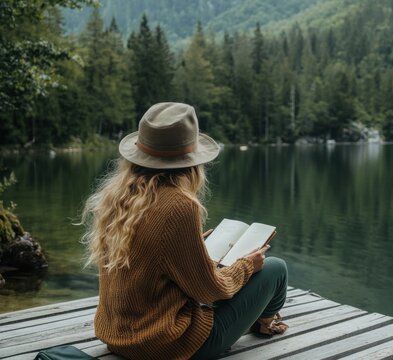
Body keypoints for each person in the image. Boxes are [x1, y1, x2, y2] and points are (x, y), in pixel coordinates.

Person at [81, 102, 288, 360]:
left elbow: (146, 259)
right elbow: (209, 291)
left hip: (117, 337)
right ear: (189, 162)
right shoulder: (179, 205)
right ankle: (266, 322)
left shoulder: (117, 196)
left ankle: (263, 319)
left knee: (230, 271)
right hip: (167, 346)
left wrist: (190, 248)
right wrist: (246, 265)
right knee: (275, 268)